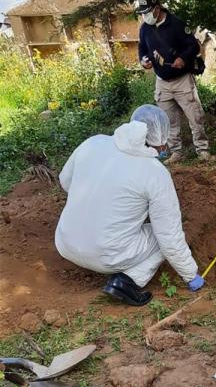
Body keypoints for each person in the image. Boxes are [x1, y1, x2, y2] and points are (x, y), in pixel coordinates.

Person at [55, 105, 204, 306]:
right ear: (159, 141)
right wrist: (191, 275)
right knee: (161, 239)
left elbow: (65, 182)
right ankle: (126, 281)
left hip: (65, 243)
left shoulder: (93, 143)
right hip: (106, 256)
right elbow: (169, 238)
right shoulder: (155, 173)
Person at [137, 0, 211, 165]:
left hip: (182, 80)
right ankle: (176, 152)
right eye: (142, 14)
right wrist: (143, 61)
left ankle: (203, 151)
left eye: (147, 13)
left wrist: (182, 58)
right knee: (168, 121)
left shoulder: (176, 24)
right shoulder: (145, 29)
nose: (145, 17)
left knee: (195, 117)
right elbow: (142, 48)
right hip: (162, 83)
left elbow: (193, 46)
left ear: (157, 8)